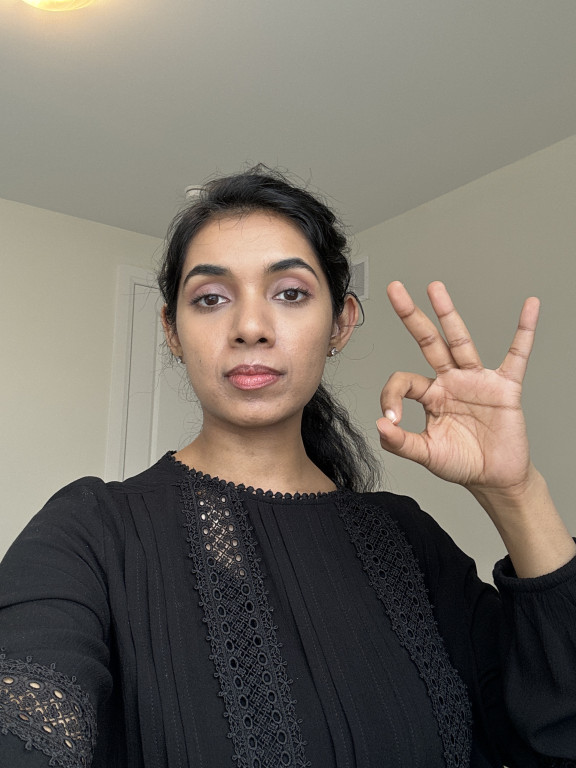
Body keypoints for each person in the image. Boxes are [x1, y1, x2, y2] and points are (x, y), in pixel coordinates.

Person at [0, 167, 575, 768]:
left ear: (341, 323)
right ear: (172, 330)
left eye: (291, 293)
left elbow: (556, 737)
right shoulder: (92, 531)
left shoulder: (405, 538)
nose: (250, 328)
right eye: (211, 298)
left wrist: (515, 490)